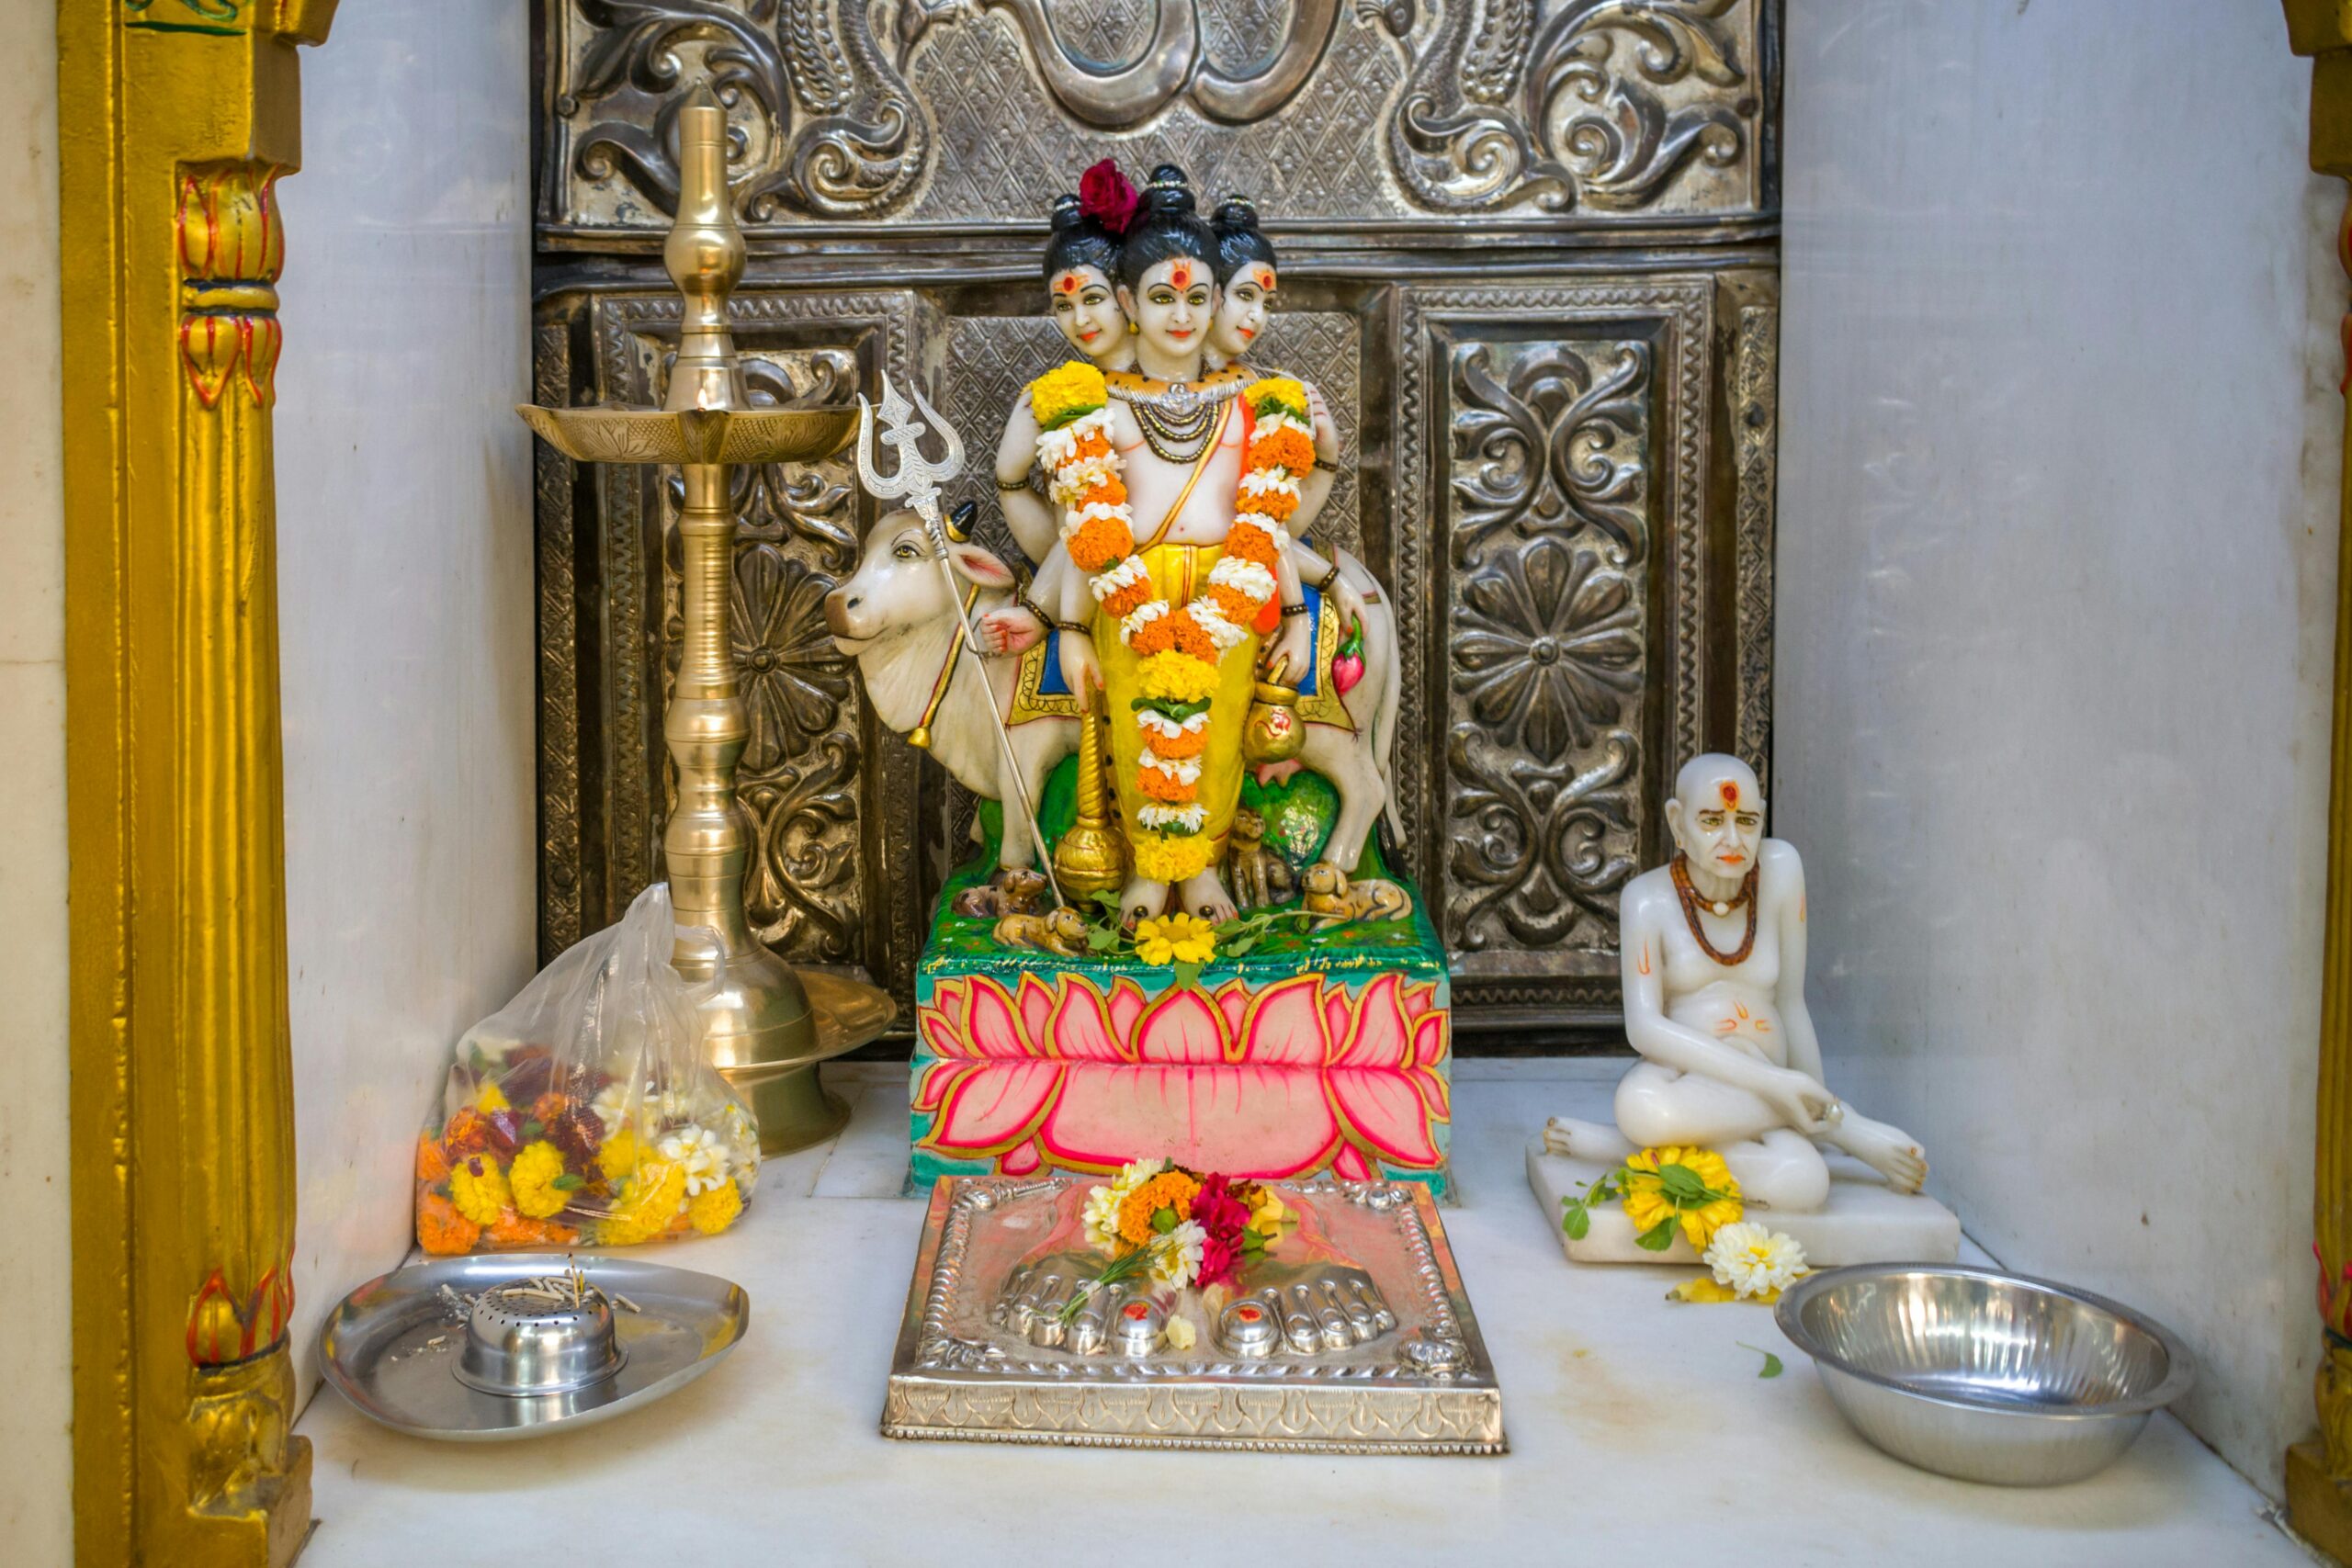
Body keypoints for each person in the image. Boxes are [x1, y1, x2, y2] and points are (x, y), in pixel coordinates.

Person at [1546, 753, 1929, 1210]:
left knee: (1805, 1184)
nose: (1732, 840)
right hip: (1691, 1077)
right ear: (1677, 822)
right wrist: (1829, 1118)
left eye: (1746, 821)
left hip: (1763, 1070)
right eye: (1711, 821)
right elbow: (1645, 1030)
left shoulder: (1782, 870)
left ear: (1762, 819)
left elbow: (1790, 1001)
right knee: (1639, 1103)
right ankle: (1843, 1129)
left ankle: (1627, 1151)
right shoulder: (1646, 900)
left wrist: (1806, 1087)